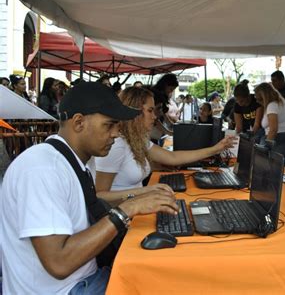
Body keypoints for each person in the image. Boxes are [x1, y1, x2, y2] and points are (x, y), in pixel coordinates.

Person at [0, 81, 179, 293]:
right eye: (109, 125)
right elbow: (59, 263)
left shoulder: (74, 162)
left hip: (85, 277)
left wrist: (137, 201)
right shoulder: (42, 168)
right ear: (78, 123)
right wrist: (127, 210)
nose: (115, 133)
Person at [94, 87, 234, 195]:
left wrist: (215, 149)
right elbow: (100, 196)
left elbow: (172, 157)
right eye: (150, 111)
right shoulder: (116, 144)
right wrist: (145, 192)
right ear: (134, 111)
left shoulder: (135, 139)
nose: (155, 116)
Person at [254, 82, 285, 169]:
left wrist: (266, 147)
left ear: (264, 97)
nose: (258, 102)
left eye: (259, 99)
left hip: (276, 140)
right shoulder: (281, 102)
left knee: (270, 170)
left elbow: (273, 129)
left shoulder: (272, 106)